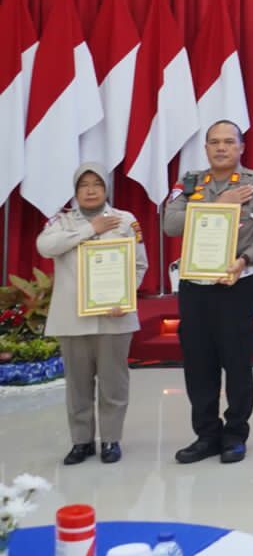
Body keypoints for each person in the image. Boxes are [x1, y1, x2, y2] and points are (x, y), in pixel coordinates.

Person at [160, 120, 253, 464]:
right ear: (206, 148)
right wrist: (220, 204)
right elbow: (170, 225)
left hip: (237, 283)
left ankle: (235, 434)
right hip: (195, 285)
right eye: (214, 142)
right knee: (198, 362)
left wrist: (246, 259)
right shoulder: (188, 184)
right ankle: (206, 434)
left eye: (229, 142)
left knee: (236, 361)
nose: (221, 148)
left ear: (241, 147)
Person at [37, 164, 149, 465]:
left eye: (96, 184)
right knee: (77, 386)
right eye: (83, 185)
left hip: (115, 316)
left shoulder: (125, 220)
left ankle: (111, 440)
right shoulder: (61, 221)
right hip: (72, 320)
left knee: (114, 383)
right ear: (75, 191)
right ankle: (81, 442)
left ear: (106, 188)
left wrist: (125, 296)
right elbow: (45, 246)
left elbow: (139, 264)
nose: (90, 190)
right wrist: (91, 229)